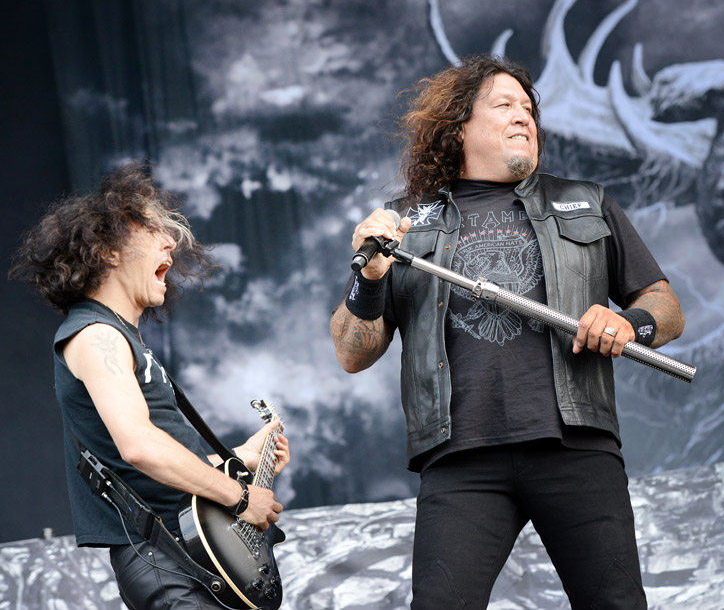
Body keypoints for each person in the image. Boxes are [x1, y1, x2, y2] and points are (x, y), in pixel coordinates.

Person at [330, 55, 684, 609]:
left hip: (575, 447)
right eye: (504, 105)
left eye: (528, 108)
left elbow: (665, 307)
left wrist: (628, 323)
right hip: (460, 457)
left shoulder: (586, 201)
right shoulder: (404, 222)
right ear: (458, 128)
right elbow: (352, 351)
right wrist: (370, 277)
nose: (524, 116)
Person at [9, 163, 290, 609]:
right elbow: (139, 447)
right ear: (108, 251)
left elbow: (153, 467)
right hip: (165, 558)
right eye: (152, 229)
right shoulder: (97, 335)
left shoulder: (121, 337)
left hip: (188, 551)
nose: (171, 241)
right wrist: (240, 498)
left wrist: (240, 458)